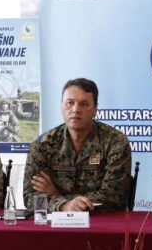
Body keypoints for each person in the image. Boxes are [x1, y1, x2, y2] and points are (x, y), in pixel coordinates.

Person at [23, 78, 131, 212]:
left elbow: (114, 197)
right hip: (56, 222)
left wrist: (59, 197)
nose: (75, 109)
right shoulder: (42, 145)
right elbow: (30, 197)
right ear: (61, 106)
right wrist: (63, 205)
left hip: (103, 221)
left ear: (95, 109)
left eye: (84, 104)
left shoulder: (115, 142)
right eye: (70, 103)